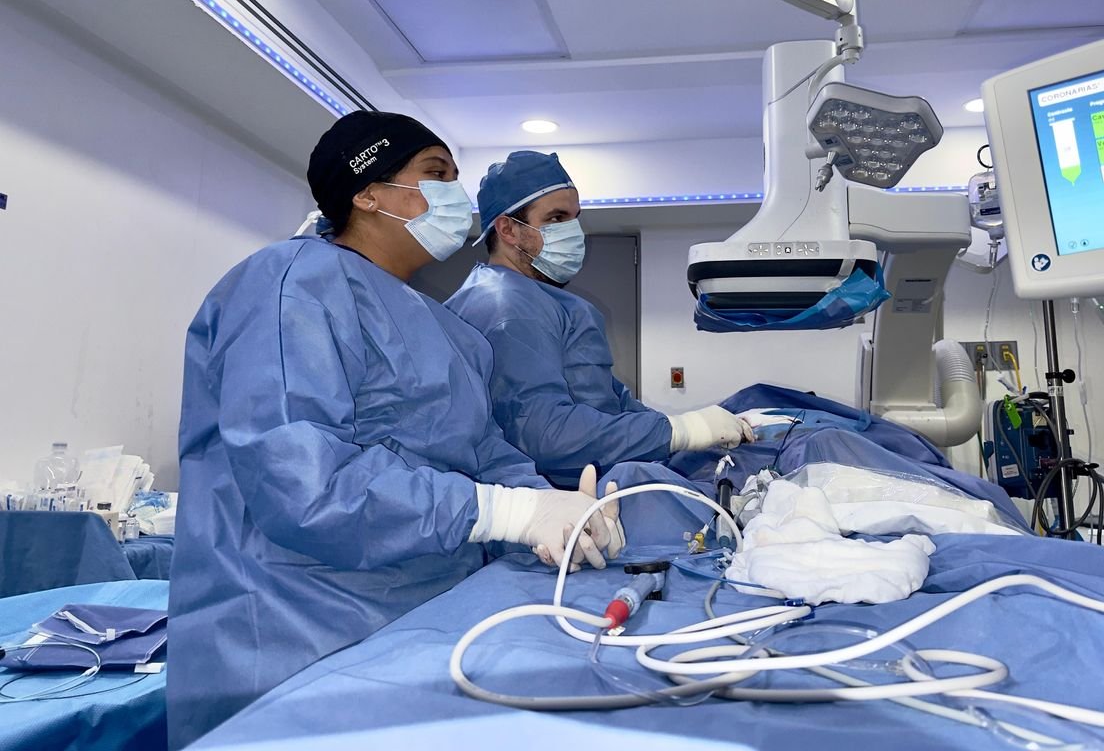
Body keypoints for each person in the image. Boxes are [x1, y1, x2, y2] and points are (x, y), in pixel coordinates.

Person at [167, 113, 621, 748]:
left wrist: (554, 508)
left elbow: (481, 445)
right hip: (295, 636)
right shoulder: (288, 283)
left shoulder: (444, 327)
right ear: (366, 192)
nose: (455, 197)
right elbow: (303, 484)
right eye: (435, 174)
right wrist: (502, 511)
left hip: (426, 616)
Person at [446, 150, 752, 487]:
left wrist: (680, 429)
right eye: (556, 218)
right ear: (508, 229)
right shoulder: (505, 305)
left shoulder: (546, 301)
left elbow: (610, 399)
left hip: (595, 480)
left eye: (575, 217)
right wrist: (679, 431)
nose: (573, 231)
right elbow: (544, 433)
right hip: (560, 500)